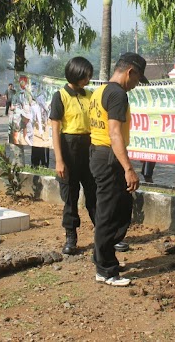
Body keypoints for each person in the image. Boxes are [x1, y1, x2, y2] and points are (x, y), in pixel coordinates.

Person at [89, 52, 147, 286]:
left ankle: (102, 258)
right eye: (137, 80)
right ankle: (106, 270)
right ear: (130, 72)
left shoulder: (100, 91)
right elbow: (114, 134)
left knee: (121, 208)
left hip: (99, 154)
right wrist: (128, 168)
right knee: (109, 214)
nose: (135, 85)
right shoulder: (117, 94)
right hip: (109, 158)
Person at [50, 57, 97, 255]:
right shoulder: (60, 96)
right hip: (69, 148)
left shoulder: (91, 95)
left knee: (94, 194)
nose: (89, 79)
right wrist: (60, 160)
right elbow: (55, 130)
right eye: (86, 75)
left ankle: (104, 234)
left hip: (89, 147)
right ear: (76, 74)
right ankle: (71, 237)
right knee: (70, 195)